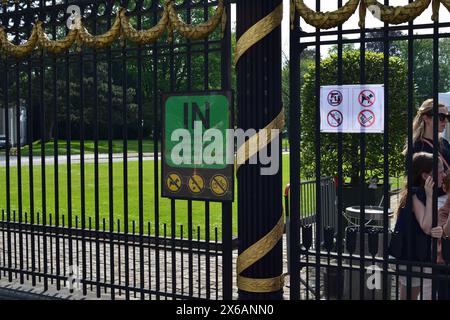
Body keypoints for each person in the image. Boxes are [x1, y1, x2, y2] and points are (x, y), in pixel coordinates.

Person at [394, 152, 445, 300]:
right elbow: (426, 226)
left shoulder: (423, 192)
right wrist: (430, 197)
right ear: (425, 176)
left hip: (418, 255)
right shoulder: (415, 194)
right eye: (440, 171)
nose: (444, 174)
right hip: (411, 256)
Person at [403, 99, 450, 174]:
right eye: (441, 117)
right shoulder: (416, 146)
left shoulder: (444, 143)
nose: (446, 121)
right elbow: (413, 179)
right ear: (426, 118)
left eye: (447, 117)